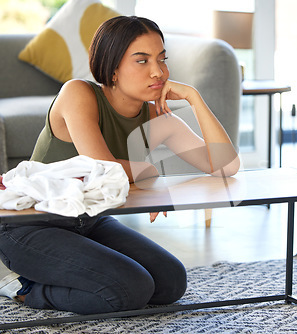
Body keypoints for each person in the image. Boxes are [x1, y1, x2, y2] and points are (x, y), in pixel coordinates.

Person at [0, 15, 240, 314]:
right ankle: (22, 288)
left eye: (162, 59)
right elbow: (103, 167)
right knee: (131, 290)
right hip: (29, 226)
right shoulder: (79, 93)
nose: (158, 72)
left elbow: (225, 165)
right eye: (142, 61)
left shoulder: (156, 117)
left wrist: (194, 98)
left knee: (171, 283)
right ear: (113, 70)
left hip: (89, 220)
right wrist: (151, 171)